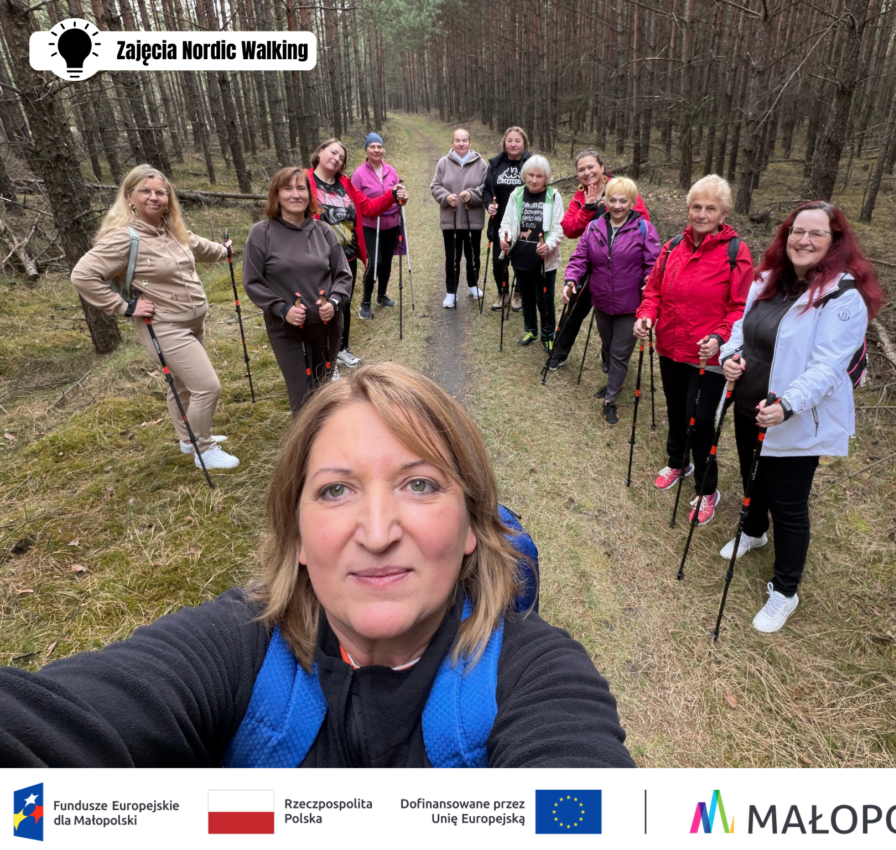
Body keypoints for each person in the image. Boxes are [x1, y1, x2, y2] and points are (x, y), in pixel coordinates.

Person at [0, 364, 636, 768]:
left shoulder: (537, 674)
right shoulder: (234, 650)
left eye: (419, 485)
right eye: (335, 490)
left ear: (472, 525)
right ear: (297, 536)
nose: (378, 533)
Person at [719, 201, 883, 633]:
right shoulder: (768, 280)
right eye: (797, 231)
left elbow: (828, 368)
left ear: (835, 241)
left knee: (789, 506)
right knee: (752, 477)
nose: (804, 240)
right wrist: (729, 357)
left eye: (816, 233)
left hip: (794, 417)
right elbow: (741, 330)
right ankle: (754, 531)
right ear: (786, 235)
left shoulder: (843, 297)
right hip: (750, 405)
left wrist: (788, 405)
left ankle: (785, 590)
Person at [71, 164, 239, 471]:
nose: (154, 197)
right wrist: (124, 307)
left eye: (160, 192)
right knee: (207, 387)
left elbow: (198, 246)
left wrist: (224, 251)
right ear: (129, 196)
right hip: (164, 327)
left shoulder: (171, 229)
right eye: (145, 191)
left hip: (193, 321)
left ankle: (188, 439)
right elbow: (83, 275)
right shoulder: (124, 238)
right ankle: (204, 449)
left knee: (182, 384)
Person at [634, 175, 753, 524]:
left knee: (700, 421)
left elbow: (740, 307)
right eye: (696, 207)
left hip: (709, 356)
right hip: (670, 346)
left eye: (710, 208)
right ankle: (677, 462)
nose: (702, 214)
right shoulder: (673, 246)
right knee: (675, 409)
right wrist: (645, 316)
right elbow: (653, 291)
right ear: (688, 209)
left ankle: (707, 488)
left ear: (724, 213)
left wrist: (719, 336)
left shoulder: (736, 253)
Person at [242, 168, 353, 414]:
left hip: (327, 327)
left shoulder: (323, 230)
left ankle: (327, 436)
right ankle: (304, 439)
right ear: (276, 195)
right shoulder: (261, 233)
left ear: (309, 194)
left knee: (324, 393)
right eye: (287, 189)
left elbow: (343, 274)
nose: (296, 194)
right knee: (302, 398)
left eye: (301, 188)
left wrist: (334, 302)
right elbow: (252, 281)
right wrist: (282, 309)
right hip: (287, 330)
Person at [563, 177, 660, 425]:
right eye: (613, 200)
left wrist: (649, 282)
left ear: (632, 203)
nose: (617, 205)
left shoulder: (644, 229)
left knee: (619, 352)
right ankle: (614, 379)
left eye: (623, 201)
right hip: (602, 301)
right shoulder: (594, 228)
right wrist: (571, 280)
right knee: (607, 346)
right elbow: (580, 257)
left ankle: (611, 399)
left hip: (631, 304)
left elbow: (654, 265)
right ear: (605, 201)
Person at [307, 138, 408, 368]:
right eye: (333, 153)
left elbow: (368, 207)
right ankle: (325, 359)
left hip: (346, 256)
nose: (337, 159)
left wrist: (391, 195)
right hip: (317, 258)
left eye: (341, 157)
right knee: (321, 306)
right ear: (320, 152)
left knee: (343, 302)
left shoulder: (345, 183)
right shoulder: (304, 180)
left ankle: (342, 349)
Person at [548, 150, 652, 373]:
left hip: (621, 267)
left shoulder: (621, 189)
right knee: (574, 308)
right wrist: (588, 209)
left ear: (602, 167)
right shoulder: (580, 195)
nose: (587, 173)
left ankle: (610, 360)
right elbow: (569, 229)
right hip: (590, 262)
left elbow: (643, 222)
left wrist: (609, 207)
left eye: (591, 167)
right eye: (581, 170)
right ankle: (558, 354)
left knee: (612, 315)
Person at [498, 155, 564, 351]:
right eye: (531, 175)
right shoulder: (517, 194)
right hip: (520, 256)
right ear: (525, 175)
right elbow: (506, 223)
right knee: (526, 297)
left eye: (539, 176)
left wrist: (549, 245)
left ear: (546, 177)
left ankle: (547, 335)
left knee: (545, 299)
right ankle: (531, 330)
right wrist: (505, 238)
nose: (534, 180)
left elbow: (558, 228)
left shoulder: (553, 196)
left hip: (543, 259)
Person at [430, 129, 489, 308]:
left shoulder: (481, 164)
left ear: (470, 143)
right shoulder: (443, 162)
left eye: (464, 140)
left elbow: (486, 188)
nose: (461, 144)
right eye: (457, 140)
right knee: (452, 257)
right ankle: (451, 292)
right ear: (452, 143)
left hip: (473, 221)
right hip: (451, 221)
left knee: (473, 255)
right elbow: (435, 186)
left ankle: (473, 285)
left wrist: (471, 195)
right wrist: (446, 197)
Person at [352, 133, 404, 321]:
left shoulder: (391, 171)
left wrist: (403, 197)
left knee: (387, 261)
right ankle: (365, 301)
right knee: (375, 262)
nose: (376, 150)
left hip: (391, 223)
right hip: (370, 225)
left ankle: (381, 295)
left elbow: (398, 196)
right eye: (372, 146)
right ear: (366, 150)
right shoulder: (359, 174)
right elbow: (355, 201)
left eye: (379, 146)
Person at [482, 126, 533, 312]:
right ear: (504, 143)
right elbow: (486, 190)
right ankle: (502, 293)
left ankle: (518, 292)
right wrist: (489, 204)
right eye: (509, 140)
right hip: (500, 220)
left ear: (524, 143)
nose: (513, 144)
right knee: (499, 260)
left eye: (517, 140)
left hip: (525, 220)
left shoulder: (532, 164)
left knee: (522, 259)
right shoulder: (495, 165)